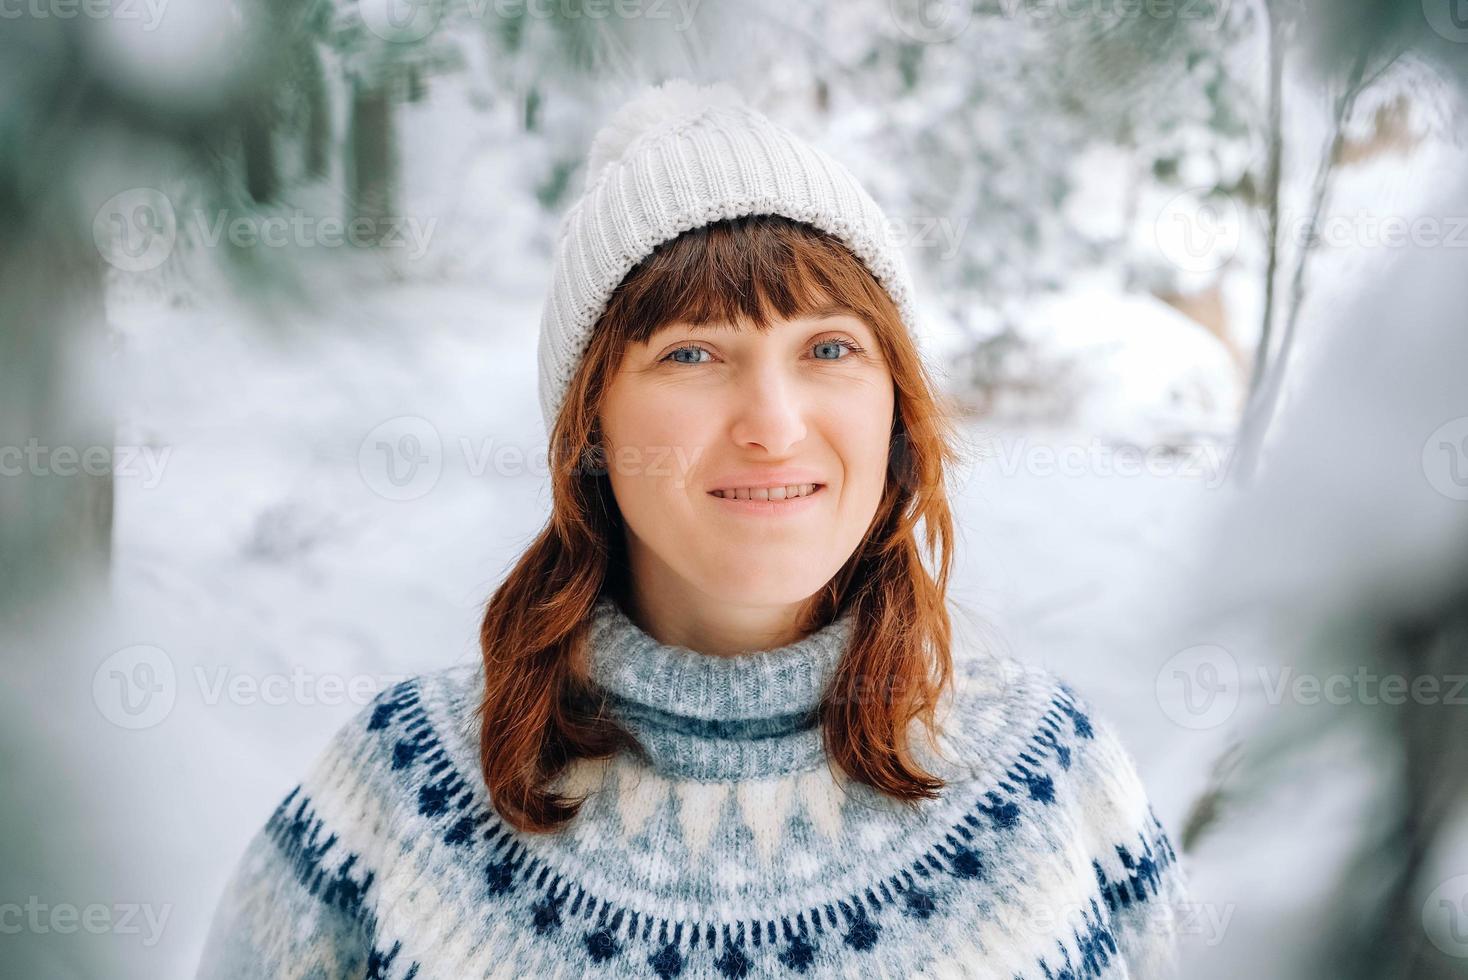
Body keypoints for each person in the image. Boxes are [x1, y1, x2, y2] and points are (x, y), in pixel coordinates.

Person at [197, 79, 1189, 979]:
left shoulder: (1050, 779)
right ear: (590, 420)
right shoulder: (394, 798)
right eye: (692, 353)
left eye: (829, 347)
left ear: (896, 405)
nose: (772, 424)